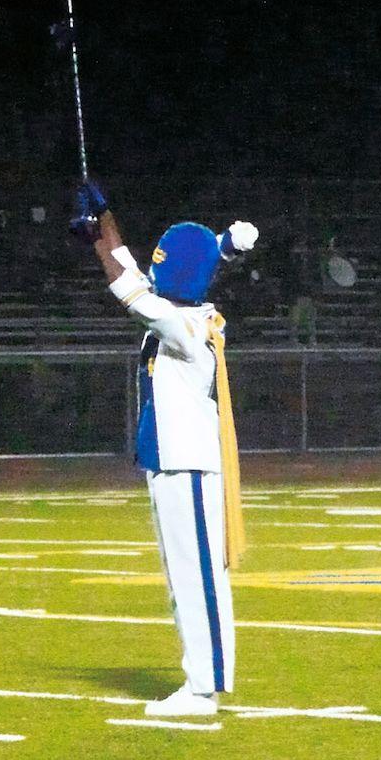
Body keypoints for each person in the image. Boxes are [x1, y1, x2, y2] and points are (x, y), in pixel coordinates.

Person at [76, 185, 256, 719]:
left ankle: (204, 687)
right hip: (169, 460)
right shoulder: (185, 312)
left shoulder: (186, 324)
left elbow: (126, 287)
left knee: (198, 575)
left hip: (191, 464)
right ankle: (197, 678)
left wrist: (101, 240)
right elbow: (134, 270)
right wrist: (103, 223)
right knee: (183, 577)